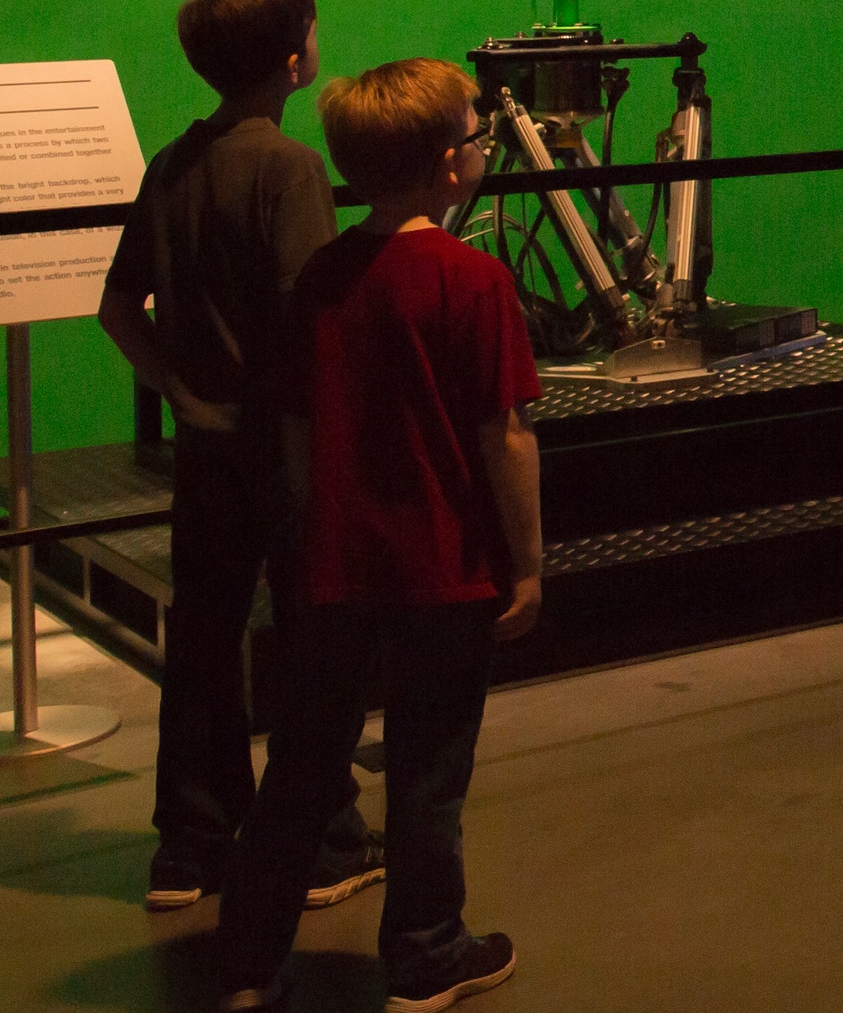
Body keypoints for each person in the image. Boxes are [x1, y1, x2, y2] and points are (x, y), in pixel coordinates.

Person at [213, 59, 542, 1013]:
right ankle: (427, 951)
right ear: (451, 167)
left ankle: (245, 960)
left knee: (304, 767)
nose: (483, 144)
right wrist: (526, 564)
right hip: (442, 570)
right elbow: (505, 435)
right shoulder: (472, 281)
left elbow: (302, 430)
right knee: (429, 769)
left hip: (333, 569)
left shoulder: (323, 274)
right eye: (479, 133)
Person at [90, 0, 379, 915]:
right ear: (295, 57)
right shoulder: (288, 169)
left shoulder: (173, 162)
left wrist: (174, 383)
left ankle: (190, 842)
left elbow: (114, 305)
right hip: (284, 446)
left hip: (204, 449)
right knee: (312, 642)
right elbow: (312, 313)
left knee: (205, 642)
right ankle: (327, 840)